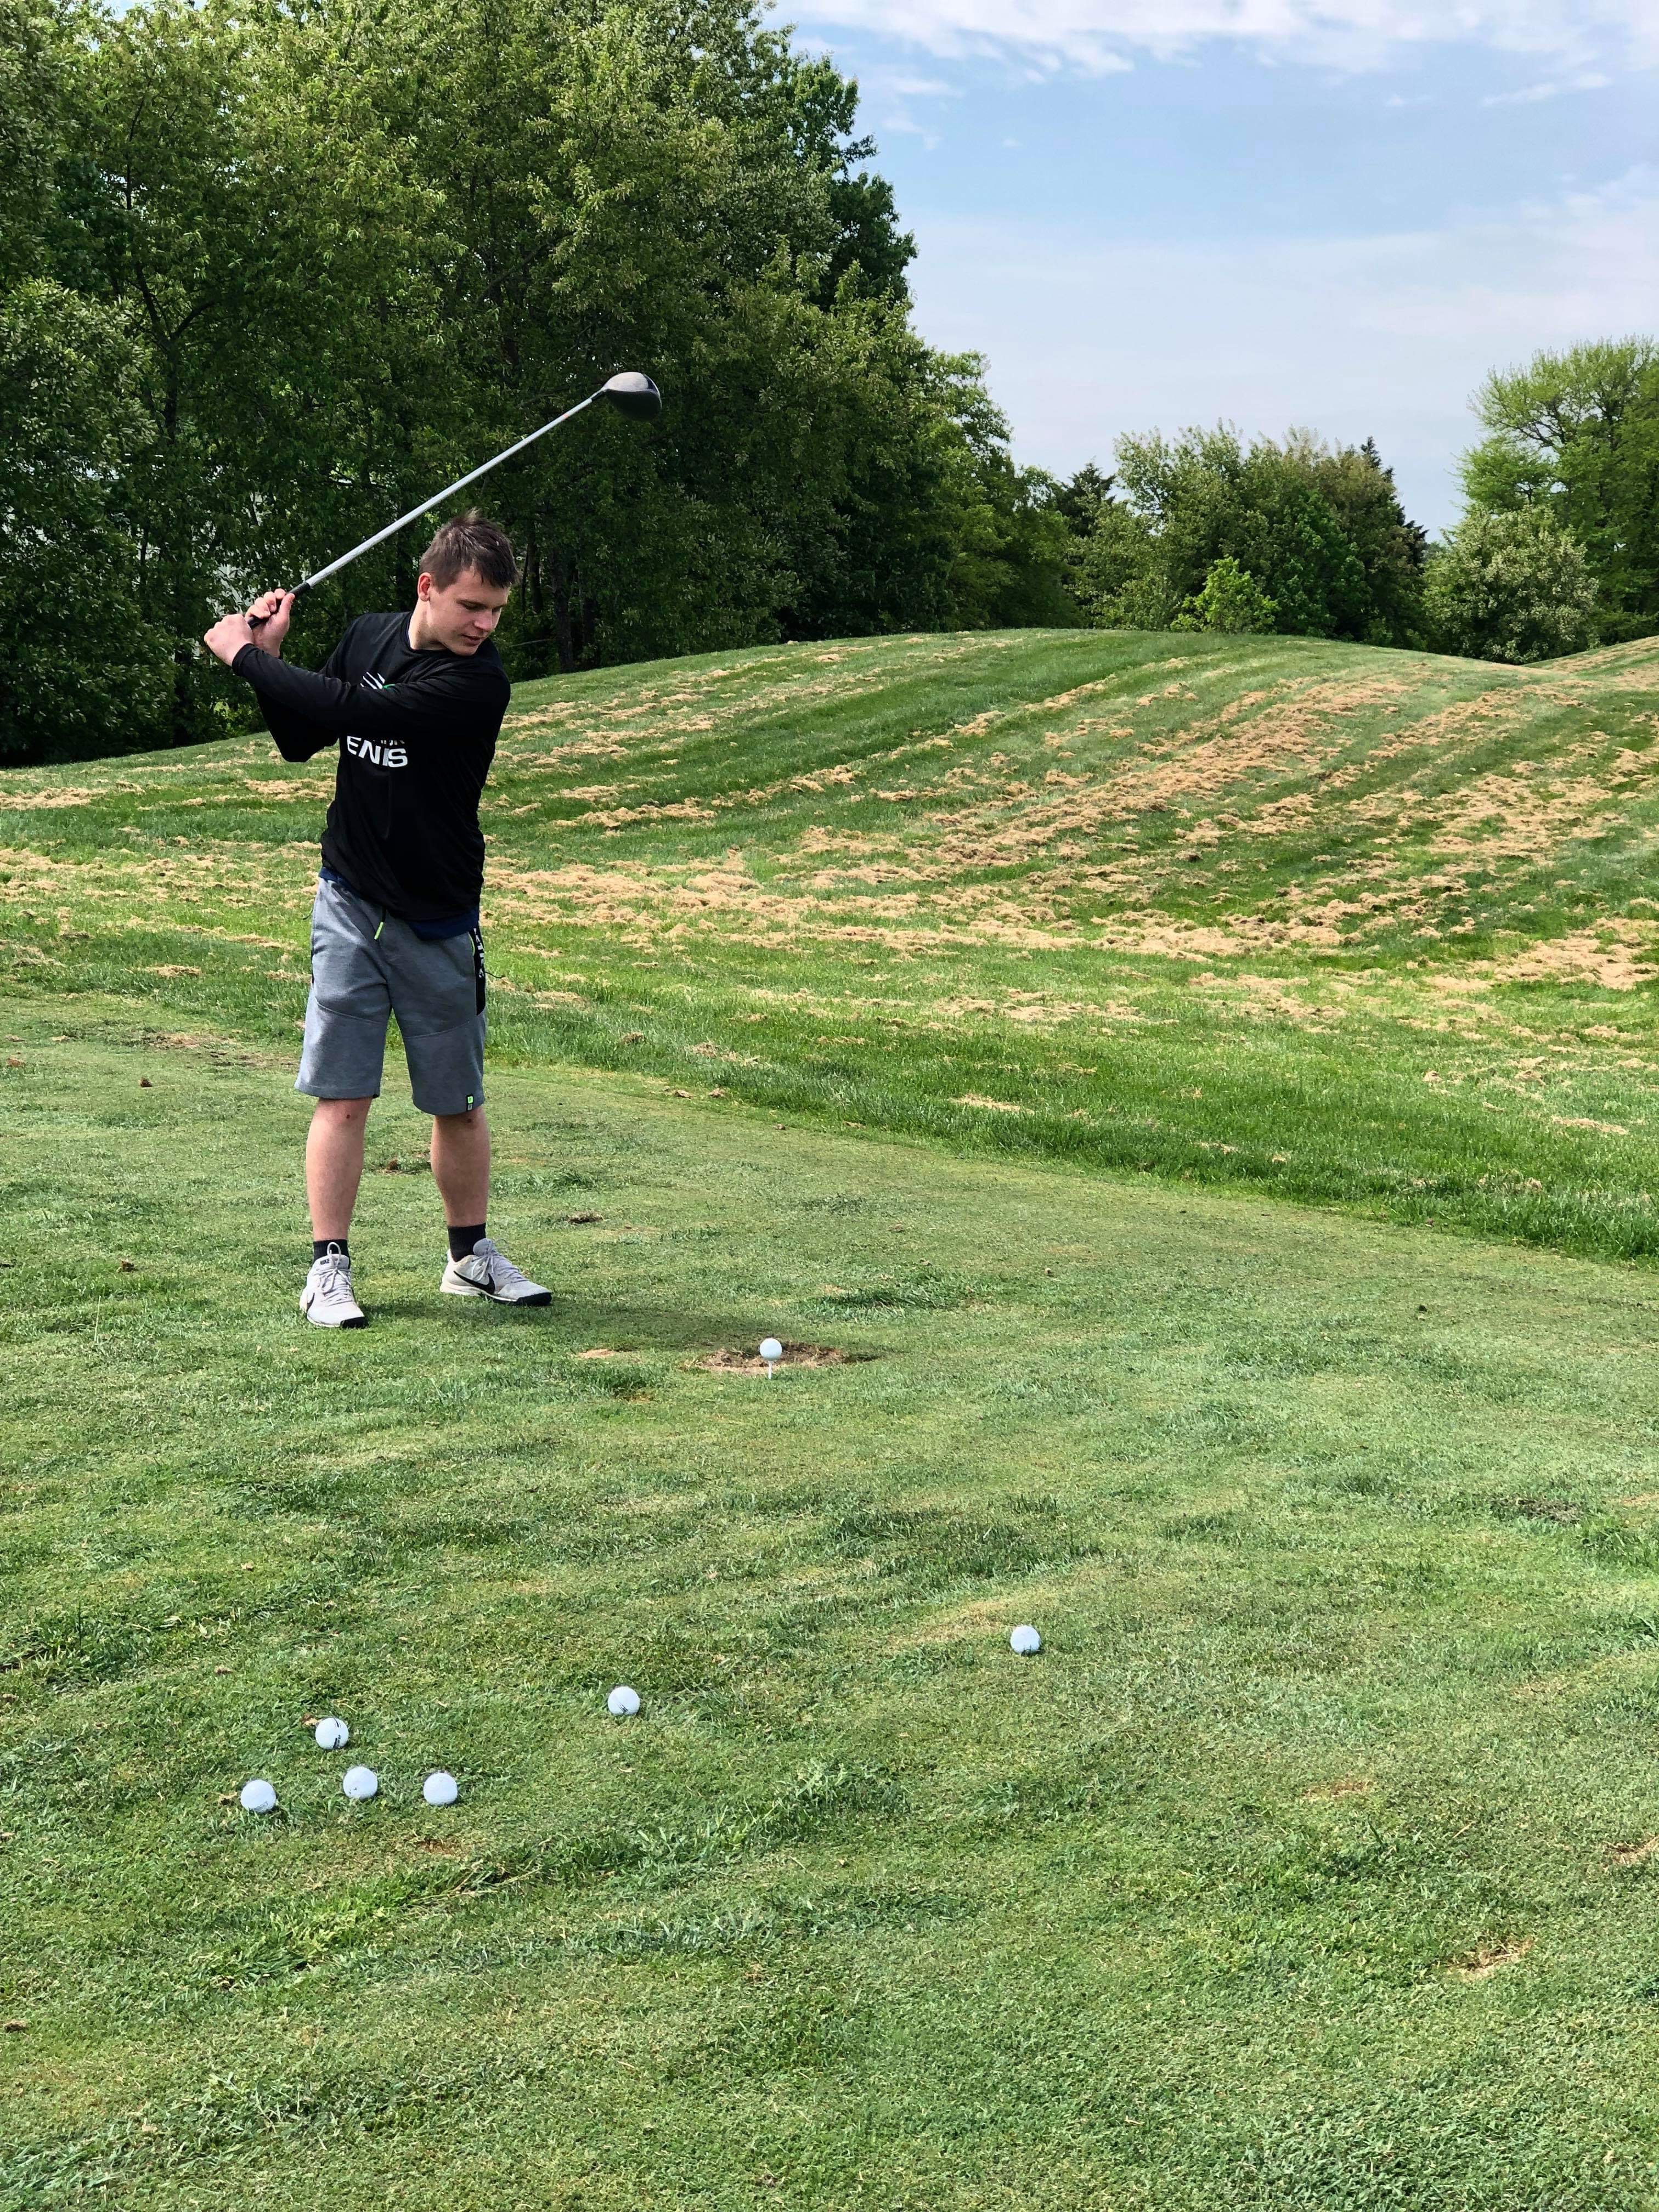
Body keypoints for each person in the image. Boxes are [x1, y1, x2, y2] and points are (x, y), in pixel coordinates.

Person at [201, 511, 550, 1328]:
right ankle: (328, 1269)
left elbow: (362, 712)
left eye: (497, 611)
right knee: (343, 1093)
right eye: (472, 606)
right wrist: (269, 662)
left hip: (439, 914)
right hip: (351, 900)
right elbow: (302, 736)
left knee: (458, 1100)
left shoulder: (478, 683)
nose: (485, 625)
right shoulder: (367, 635)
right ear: (428, 587)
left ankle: (469, 1258)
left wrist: (246, 656)